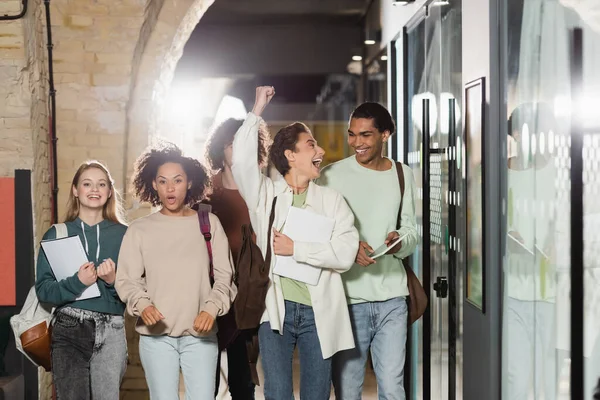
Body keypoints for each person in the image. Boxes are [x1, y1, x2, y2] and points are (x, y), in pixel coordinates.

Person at [231, 86, 359, 400]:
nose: (321, 152)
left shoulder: (332, 201)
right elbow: (242, 162)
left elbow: (345, 252)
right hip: (276, 311)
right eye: (311, 144)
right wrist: (257, 109)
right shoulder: (266, 195)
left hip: (320, 312)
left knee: (316, 393)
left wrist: (296, 249)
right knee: (277, 393)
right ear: (291, 155)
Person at [115, 143, 237, 399]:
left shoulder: (208, 223)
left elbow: (226, 276)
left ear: (189, 182)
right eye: (163, 181)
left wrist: (211, 308)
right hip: (157, 338)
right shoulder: (139, 230)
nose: (170, 188)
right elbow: (127, 279)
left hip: (200, 336)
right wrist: (143, 304)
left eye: (177, 180)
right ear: (154, 185)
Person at [317, 102, 418, 400]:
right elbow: (319, 232)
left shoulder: (402, 174)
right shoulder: (329, 176)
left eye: (366, 135)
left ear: (385, 134)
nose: (356, 143)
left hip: (393, 299)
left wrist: (399, 240)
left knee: (392, 387)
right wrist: (349, 246)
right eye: (352, 135)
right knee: (348, 389)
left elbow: (412, 231)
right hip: (349, 299)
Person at [35, 161, 128, 399]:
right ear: (76, 190)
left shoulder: (126, 235)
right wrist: (78, 281)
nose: (94, 189)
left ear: (109, 192)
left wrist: (112, 280)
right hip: (69, 329)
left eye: (101, 184)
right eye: (87, 184)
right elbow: (44, 291)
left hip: (113, 330)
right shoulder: (56, 233)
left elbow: (136, 293)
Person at [202, 117, 270, 399]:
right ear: (221, 148)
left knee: (244, 382)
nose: (237, 150)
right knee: (206, 380)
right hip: (211, 291)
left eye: (244, 145)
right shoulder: (204, 191)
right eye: (231, 144)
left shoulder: (264, 190)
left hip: (249, 295)